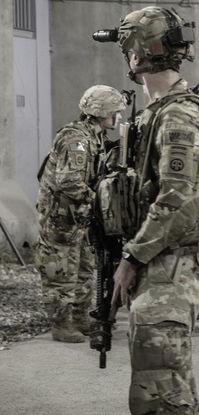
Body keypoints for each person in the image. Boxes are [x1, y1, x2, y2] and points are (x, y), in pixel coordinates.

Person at [106, 6, 199, 415]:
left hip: (171, 264)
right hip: (165, 262)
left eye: (127, 45)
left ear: (139, 51)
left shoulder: (177, 114)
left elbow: (181, 196)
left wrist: (131, 255)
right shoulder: (160, 111)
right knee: (171, 383)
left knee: (156, 390)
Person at [36, 85, 126, 343]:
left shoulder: (94, 137)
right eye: (115, 112)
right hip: (61, 218)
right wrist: (99, 200)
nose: (118, 117)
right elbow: (69, 181)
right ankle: (61, 324)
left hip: (78, 218)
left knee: (85, 268)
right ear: (101, 113)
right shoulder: (76, 139)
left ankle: (80, 317)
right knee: (61, 270)